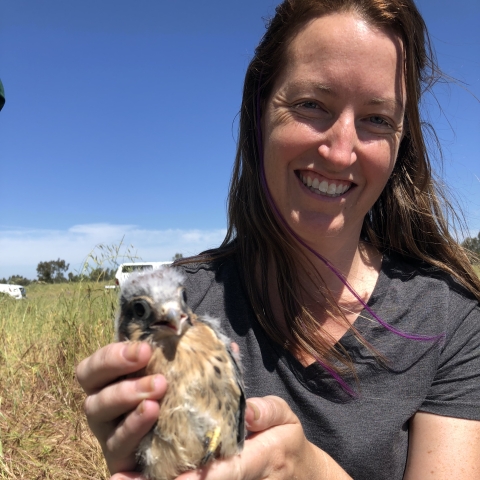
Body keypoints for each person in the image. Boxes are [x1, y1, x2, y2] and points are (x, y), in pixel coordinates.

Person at [76, 0, 480, 478]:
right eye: (312, 104)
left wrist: (308, 471)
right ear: (259, 113)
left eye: (377, 118)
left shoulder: (450, 322)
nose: (339, 150)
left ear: (400, 142)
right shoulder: (177, 302)